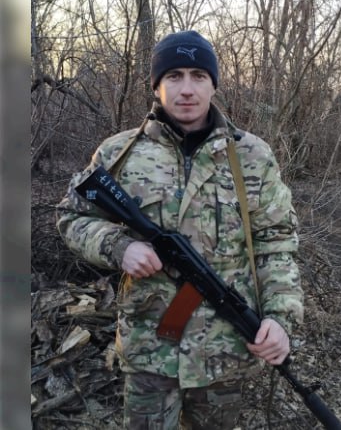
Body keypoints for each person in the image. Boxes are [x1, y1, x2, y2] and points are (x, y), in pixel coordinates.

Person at [57, 30, 303, 429]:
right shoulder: (119, 153)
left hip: (225, 350)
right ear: (157, 85)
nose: (187, 89)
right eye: (174, 76)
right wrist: (118, 246)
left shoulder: (252, 156)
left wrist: (280, 317)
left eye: (198, 76)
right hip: (149, 347)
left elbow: (276, 243)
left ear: (213, 84)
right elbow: (71, 217)